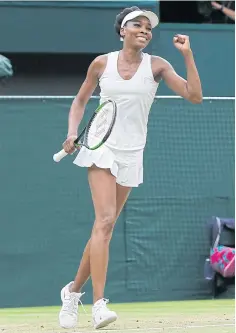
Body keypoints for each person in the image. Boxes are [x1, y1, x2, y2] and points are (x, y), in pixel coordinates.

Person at [58, 6, 202, 330]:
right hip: (101, 147)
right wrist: (71, 132)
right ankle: (98, 304)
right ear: (122, 31)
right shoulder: (101, 63)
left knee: (104, 229)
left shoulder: (158, 66)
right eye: (137, 25)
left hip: (132, 153)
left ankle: (72, 292)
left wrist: (188, 55)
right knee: (105, 220)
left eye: (148, 28)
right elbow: (80, 101)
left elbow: (194, 95)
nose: (144, 31)